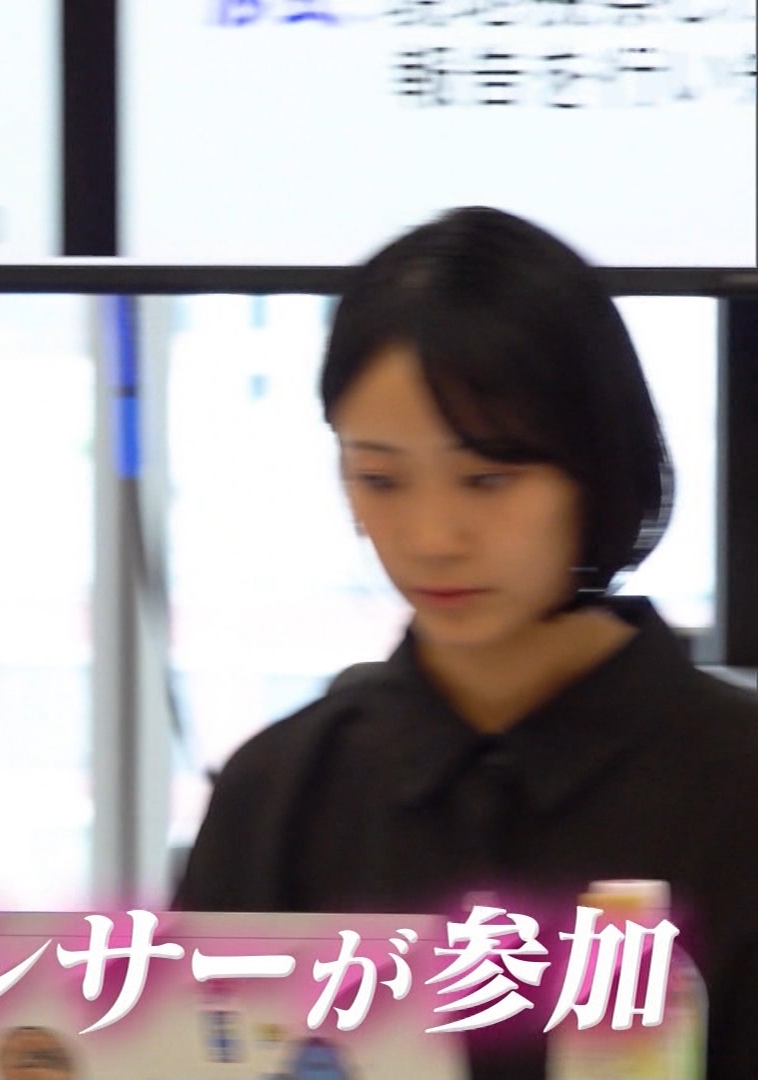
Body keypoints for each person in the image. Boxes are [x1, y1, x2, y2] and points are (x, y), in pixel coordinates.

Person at [174, 208, 758, 1079]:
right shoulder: (279, 793)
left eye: (488, 478)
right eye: (380, 478)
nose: (432, 538)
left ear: (597, 467)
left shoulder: (735, 784)